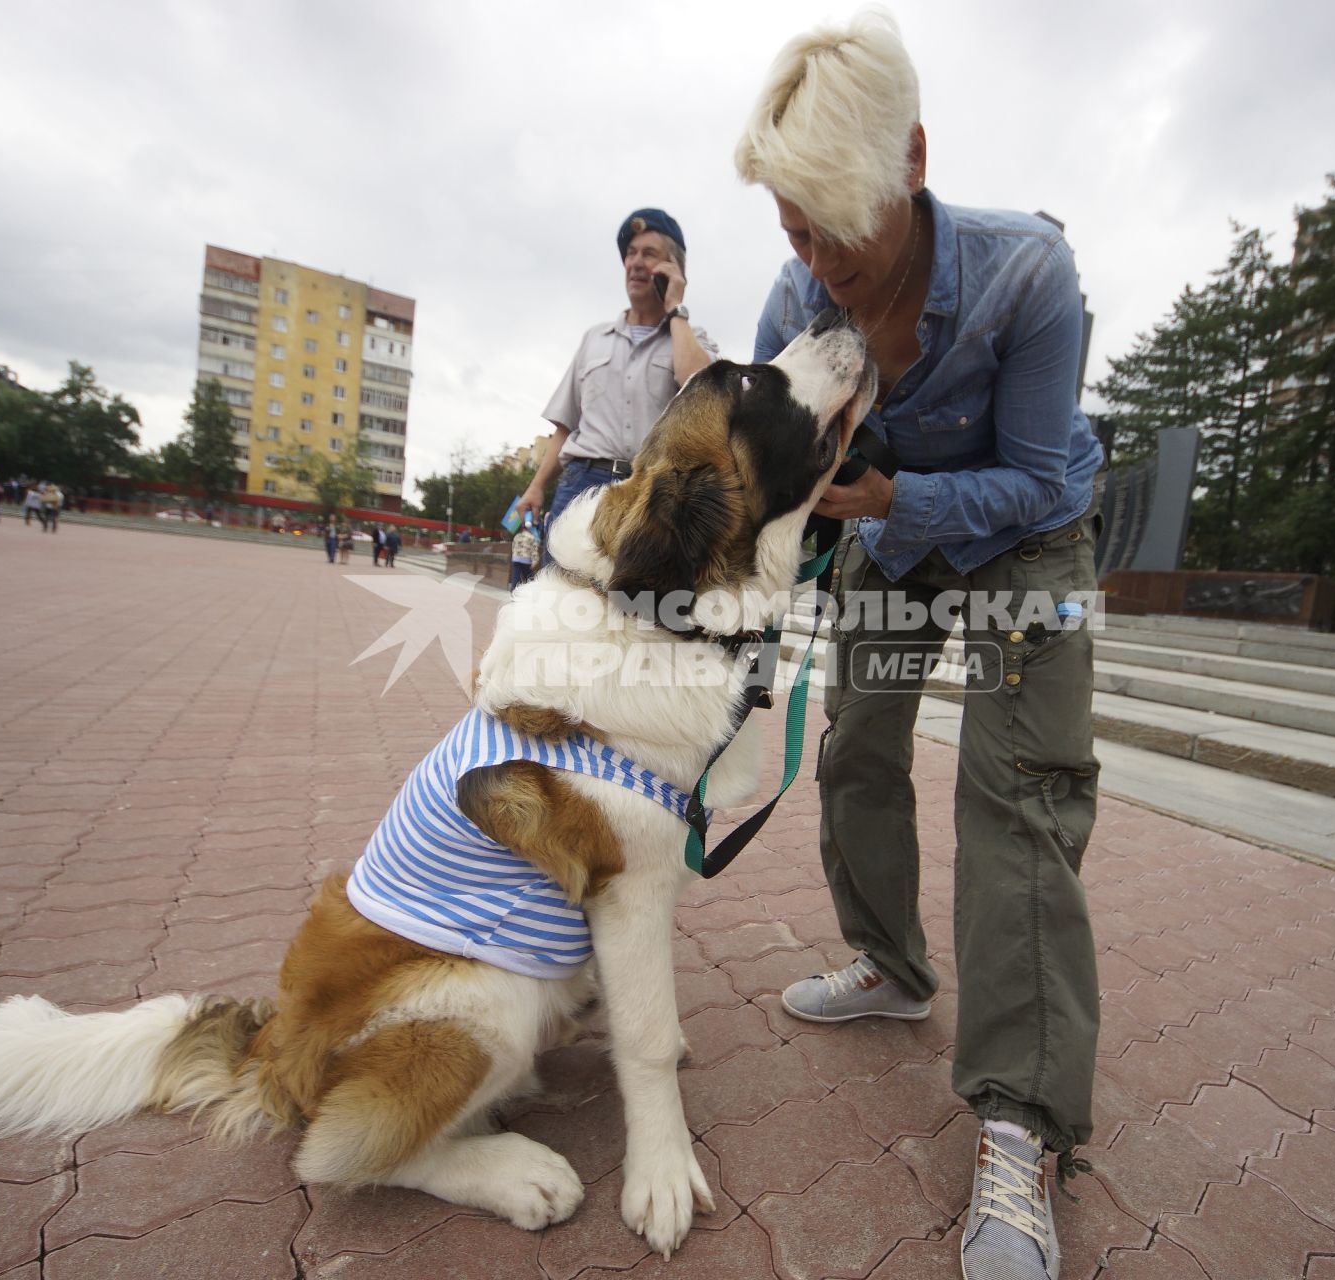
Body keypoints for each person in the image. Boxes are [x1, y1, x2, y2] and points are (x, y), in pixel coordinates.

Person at [738, 16, 1105, 1280]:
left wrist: (893, 500)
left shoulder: (1027, 275)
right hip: (881, 543)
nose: (819, 264)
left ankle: (1019, 1118)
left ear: (912, 160)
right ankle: (890, 963)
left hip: (1022, 535)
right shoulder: (797, 289)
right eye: (792, 229)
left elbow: (1032, 477)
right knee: (854, 746)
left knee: (1017, 797)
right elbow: (770, 457)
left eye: (836, 225)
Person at [515, 209, 720, 531]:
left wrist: (676, 310)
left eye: (649, 254)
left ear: (673, 269)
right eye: (630, 254)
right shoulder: (594, 340)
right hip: (583, 485)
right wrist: (536, 487)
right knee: (562, 582)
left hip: (653, 491)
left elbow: (702, 390)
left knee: (642, 584)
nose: (635, 263)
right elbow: (566, 426)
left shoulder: (693, 341)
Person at [509, 514, 541, 590]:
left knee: (515, 576)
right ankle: (529, 591)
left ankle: (513, 591)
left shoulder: (517, 536)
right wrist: (535, 562)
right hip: (526, 560)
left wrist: (514, 556)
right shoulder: (532, 537)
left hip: (516, 559)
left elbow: (513, 547)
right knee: (529, 577)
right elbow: (534, 551)